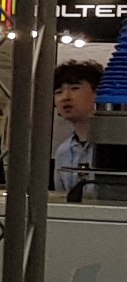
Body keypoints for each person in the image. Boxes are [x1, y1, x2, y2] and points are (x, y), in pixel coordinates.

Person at [54, 60, 101, 194]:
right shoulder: (63, 152)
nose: (65, 97)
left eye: (74, 88)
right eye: (58, 92)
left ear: (97, 93)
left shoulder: (114, 147)